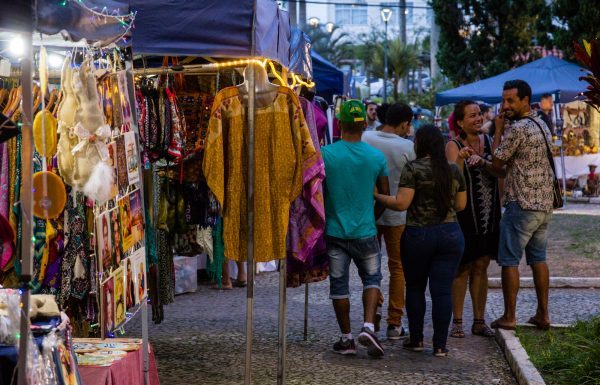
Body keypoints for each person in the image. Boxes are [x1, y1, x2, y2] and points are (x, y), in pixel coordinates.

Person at [375, 125, 467, 357]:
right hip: (450, 234)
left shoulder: (413, 168)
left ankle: (416, 339)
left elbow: (401, 203)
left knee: (415, 288)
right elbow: (460, 206)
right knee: (442, 291)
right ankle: (440, 346)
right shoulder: (453, 170)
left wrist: (376, 195)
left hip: (419, 235)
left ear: (420, 144)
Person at [322, 99, 389, 357]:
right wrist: (371, 217)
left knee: (339, 286)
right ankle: (369, 327)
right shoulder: (375, 157)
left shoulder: (326, 154)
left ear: (339, 124)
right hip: (366, 230)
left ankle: (346, 339)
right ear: (363, 124)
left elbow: (318, 193)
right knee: (372, 279)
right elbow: (385, 194)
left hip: (335, 232)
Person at [489, 79, 553, 331]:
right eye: (503, 100)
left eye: (510, 100)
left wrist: (497, 130)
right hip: (544, 205)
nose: (505, 106)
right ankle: (543, 314)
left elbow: (496, 163)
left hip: (522, 204)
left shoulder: (517, 128)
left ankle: (509, 316)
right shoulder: (542, 124)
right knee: (538, 258)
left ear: (525, 100)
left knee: (509, 260)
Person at [445, 101, 502, 339]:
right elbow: (450, 179)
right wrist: (460, 159)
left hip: (489, 215)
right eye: (472, 116)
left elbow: (501, 170)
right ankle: (457, 321)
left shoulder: (489, 142)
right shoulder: (452, 144)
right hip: (463, 215)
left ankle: (479, 321)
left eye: (479, 114)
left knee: (482, 265)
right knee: (462, 267)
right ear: (459, 122)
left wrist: (485, 161)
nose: (478, 119)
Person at [362, 103, 415, 339]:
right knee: (398, 268)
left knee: (371, 268)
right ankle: (395, 323)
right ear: (404, 123)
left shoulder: (367, 137)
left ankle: (374, 314)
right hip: (397, 214)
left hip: (369, 212)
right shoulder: (408, 147)